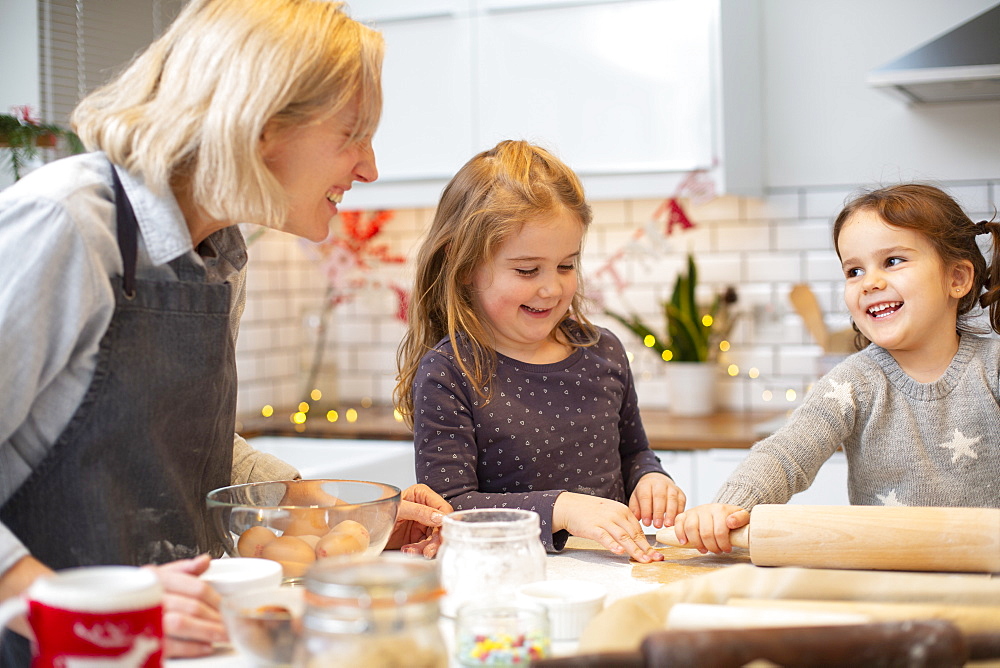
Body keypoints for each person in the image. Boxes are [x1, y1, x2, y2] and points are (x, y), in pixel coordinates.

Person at [0, 0, 452, 662]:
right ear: (263, 123)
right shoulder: (67, 226)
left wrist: (320, 506)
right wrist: (52, 598)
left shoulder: (218, 252)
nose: (369, 168)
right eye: (352, 133)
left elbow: (160, 434)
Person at [393, 140, 686, 564]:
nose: (552, 287)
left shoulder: (603, 351)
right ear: (465, 266)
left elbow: (633, 451)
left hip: (616, 571)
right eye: (527, 270)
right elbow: (448, 510)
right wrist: (563, 509)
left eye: (567, 265)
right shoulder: (448, 372)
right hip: (509, 580)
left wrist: (650, 478)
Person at [673, 183, 1000, 554]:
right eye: (854, 271)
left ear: (957, 278)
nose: (870, 282)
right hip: (886, 577)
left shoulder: (994, 368)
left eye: (893, 261)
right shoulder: (854, 382)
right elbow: (785, 454)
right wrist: (729, 506)